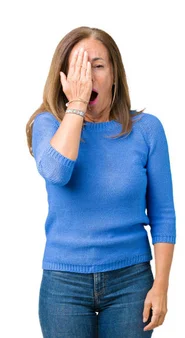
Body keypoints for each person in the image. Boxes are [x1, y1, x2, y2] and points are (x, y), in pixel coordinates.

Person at [26, 26, 176, 337]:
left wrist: (160, 286)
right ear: (64, 78)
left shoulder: (147, 130)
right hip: (64, 284)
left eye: (98, 66)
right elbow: (57, 172)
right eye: (79, 67)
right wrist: (77, 106)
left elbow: (164, 215)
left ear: (115, 75)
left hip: (131, 281)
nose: (89, 77)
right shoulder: (47, 125)